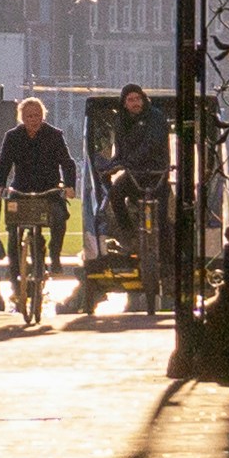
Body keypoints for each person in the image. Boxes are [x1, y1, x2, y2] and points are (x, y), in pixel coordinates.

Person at [86, 79, 175, 317]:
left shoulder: (155, 117)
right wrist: (113, 165)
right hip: (134, 174)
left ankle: (168, 261)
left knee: (165, 215)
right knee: (116, 196)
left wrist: (128, 161)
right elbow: (122, 151)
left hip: (156, 173)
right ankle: (127, 234)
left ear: (143, 100)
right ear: (124, 104)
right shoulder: (121, 121)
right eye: (130, 100)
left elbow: (153, 143)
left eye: (137, 99)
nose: (134, 103)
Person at [0, 91, 78, 320]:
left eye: (37, 115)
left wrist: (69, 185)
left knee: (60, 217)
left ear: (43, 116)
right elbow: (2, 165)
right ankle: (14, 277)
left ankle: (55, 255)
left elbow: (68, 163)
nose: (33, 119)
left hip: (48, 190)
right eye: (29, 115)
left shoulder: (54, 135)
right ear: (22, 117)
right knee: (12, 230)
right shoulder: (12, 137)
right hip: (21, 190)